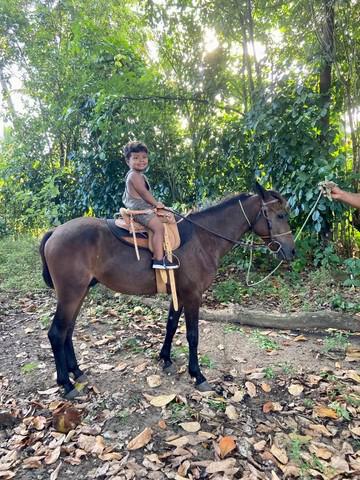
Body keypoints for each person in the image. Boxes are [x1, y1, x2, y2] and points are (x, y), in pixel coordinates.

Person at [122, 141, 178, 270]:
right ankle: (158, 260)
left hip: (145, 208)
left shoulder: (139, 175)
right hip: (139, 210)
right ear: (127, 161)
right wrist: (156, 204)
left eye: (144, 157)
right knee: (158, 228)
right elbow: (143, 192)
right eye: (135, 158)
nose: (141, 161)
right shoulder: (134, 176)